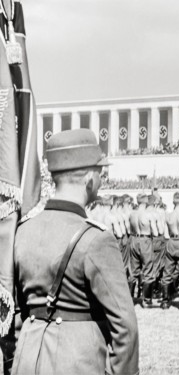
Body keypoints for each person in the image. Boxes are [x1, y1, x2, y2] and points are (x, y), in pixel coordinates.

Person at [12, 129, 139, 374]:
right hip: (78, 361)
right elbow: (125, 327)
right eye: (100, 173)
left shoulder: (23, 231)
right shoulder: (96, 238)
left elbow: (17, 311)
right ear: (90, 178)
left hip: (27, 359)